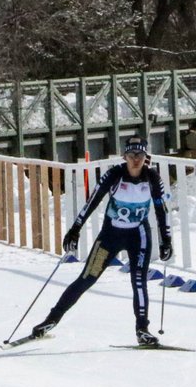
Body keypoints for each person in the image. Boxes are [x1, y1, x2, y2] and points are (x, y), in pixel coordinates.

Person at [32, 134, 173, 346]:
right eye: (132, 154)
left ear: (146, 157)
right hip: (111, 236)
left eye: (140, 155)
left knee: (138, 282)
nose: (136, 159)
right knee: (87, 278)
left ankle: (142, 329)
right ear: (125, 156)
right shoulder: (114, 175)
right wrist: (75, 229)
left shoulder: (152, 178)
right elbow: (93, 201)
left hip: (139, 236)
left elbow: (161, 210)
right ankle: (50, 320)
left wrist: (166, 239)